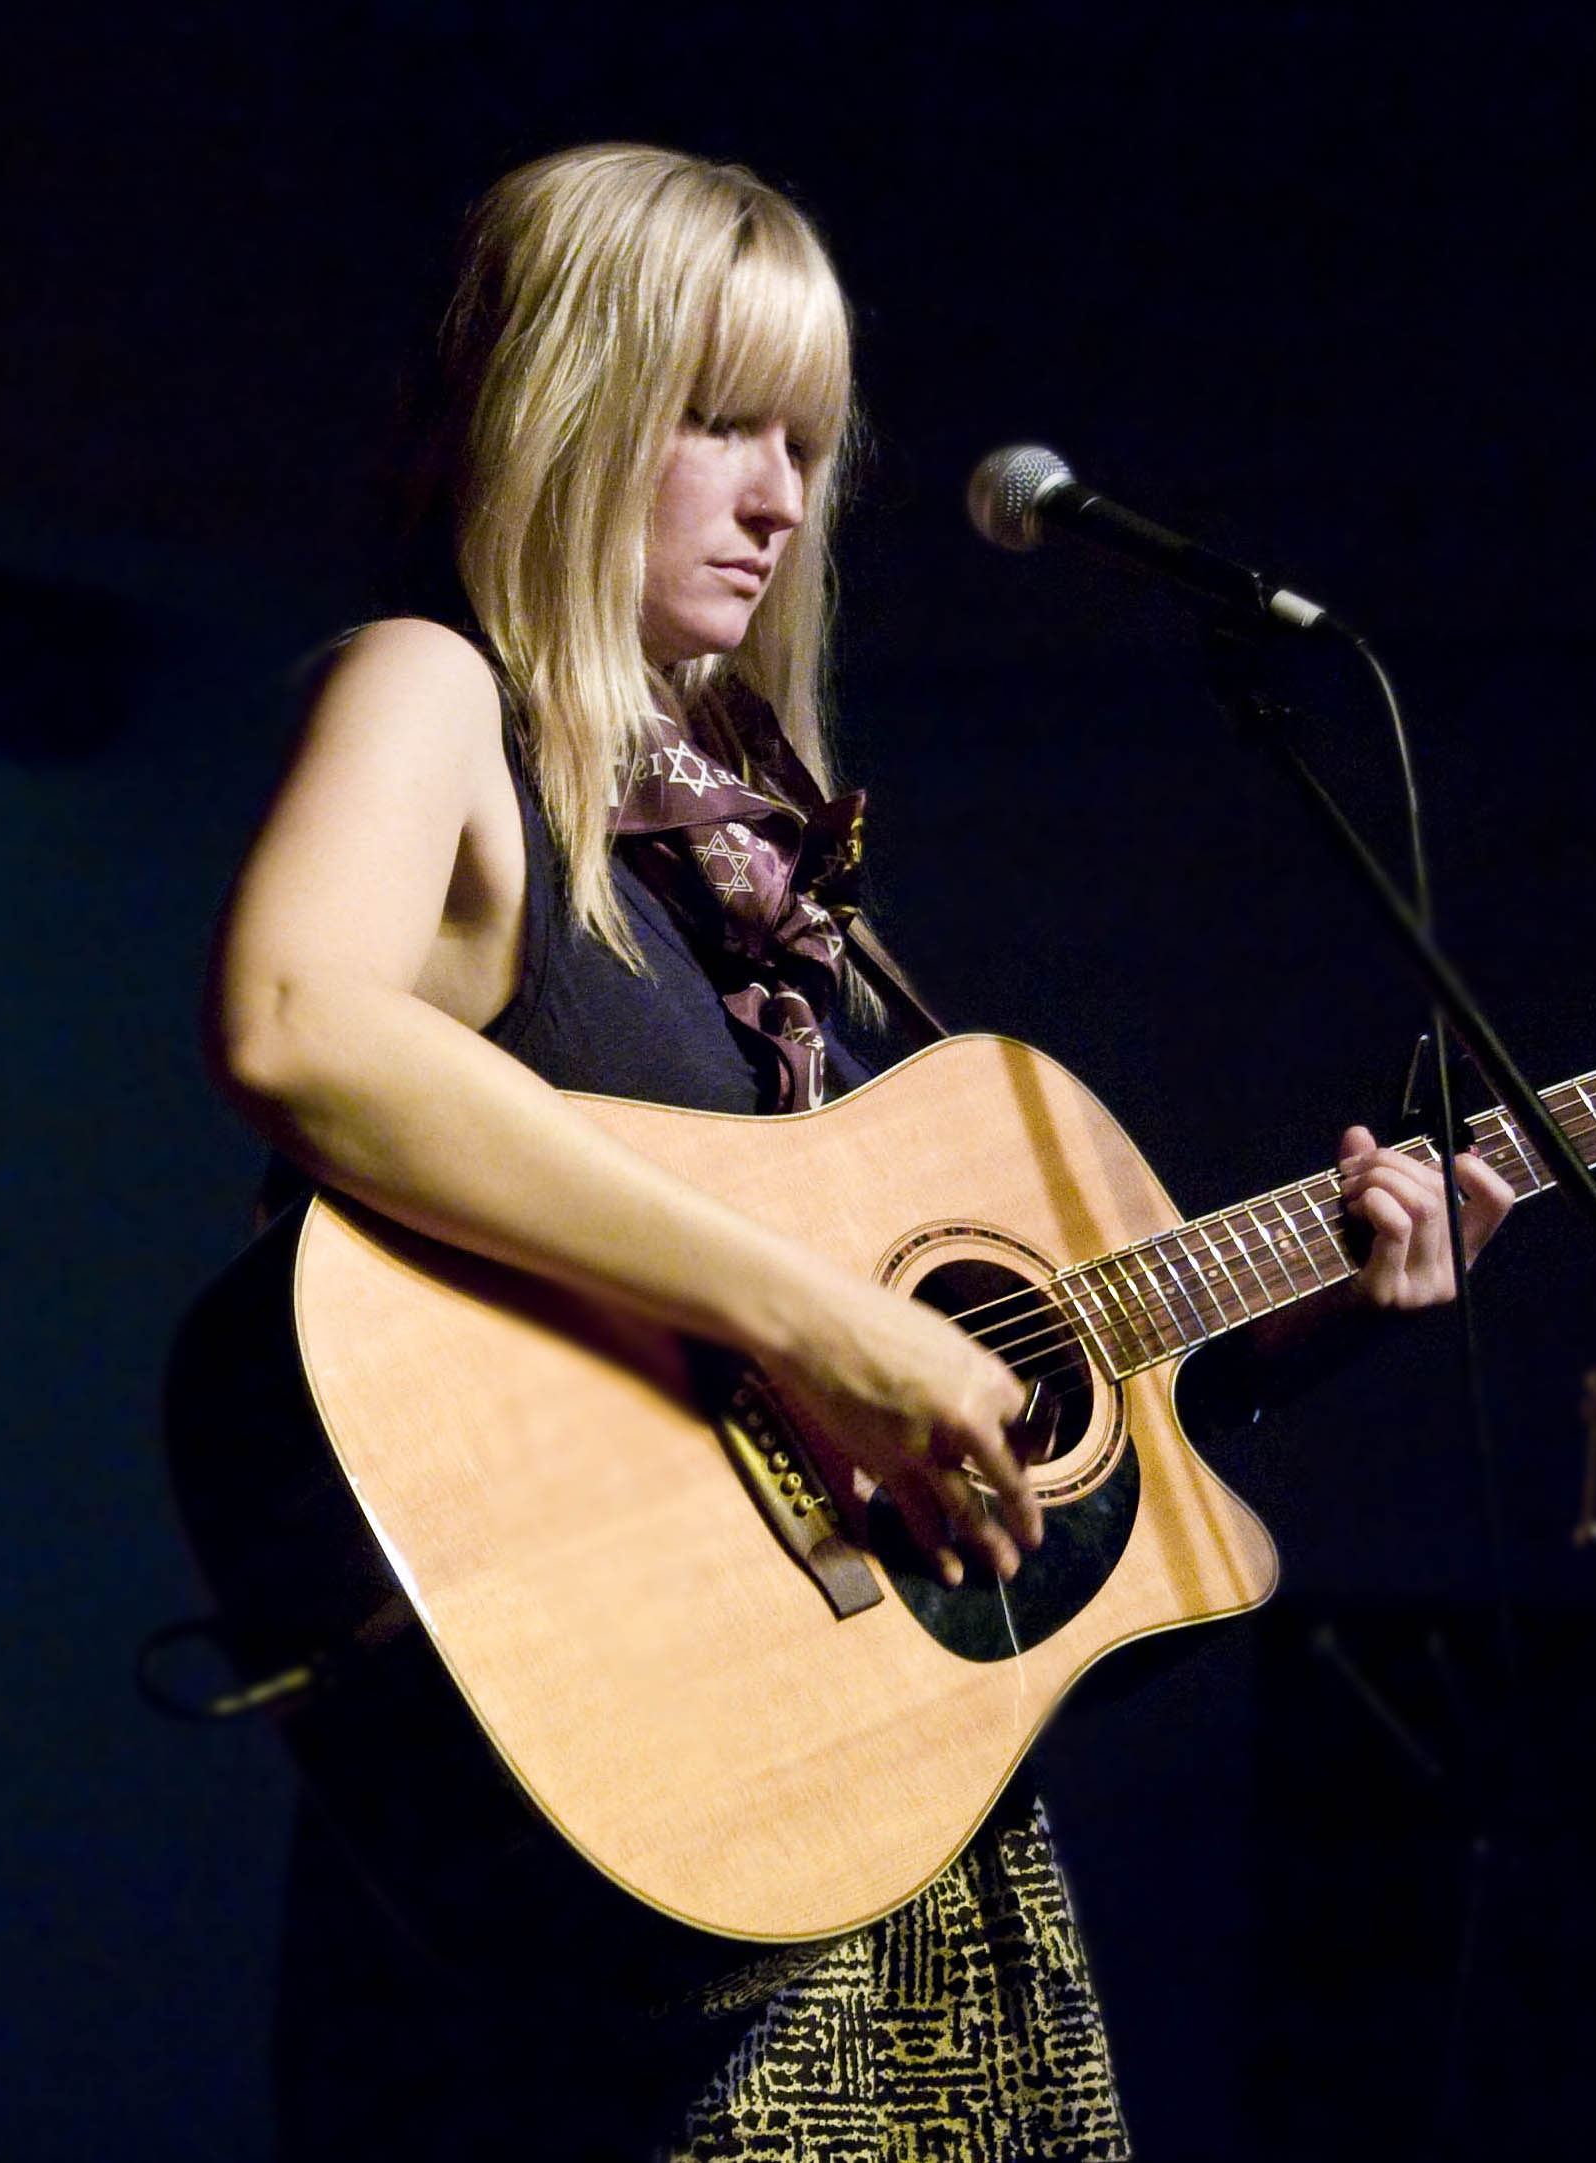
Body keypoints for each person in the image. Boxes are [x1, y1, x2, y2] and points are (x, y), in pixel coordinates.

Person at [203, 141, 1513, 2161]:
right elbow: (294, 1020)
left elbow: (960, 1405)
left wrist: (1318, 1307)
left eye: (805, 439)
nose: (780, 495)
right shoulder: (435, 694)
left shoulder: (772, 888)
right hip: (608, 1845)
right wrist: (824, 1318)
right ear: (565, 407)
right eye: (718, 422)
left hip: (885, 1844)